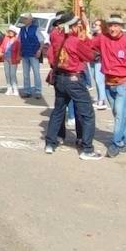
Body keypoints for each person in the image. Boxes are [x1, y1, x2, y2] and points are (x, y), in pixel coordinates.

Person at [43, 12, 102, 160]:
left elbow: (56, 36)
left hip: (59, 78)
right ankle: (87, 148)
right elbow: (89, 56)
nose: (78, 27)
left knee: (58, 111)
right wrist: (89, 41)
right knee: (87, 113)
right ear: (70, 27)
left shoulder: (55, 36)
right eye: (76, 25)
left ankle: (50, 143)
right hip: (73, 79)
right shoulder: (75, 41)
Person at [97, 15, 126, 156]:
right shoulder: (103, 39)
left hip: (124, 83)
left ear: (121, 27)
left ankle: (115, 144)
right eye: (111, 25)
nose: (113, 28)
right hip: (109, 83)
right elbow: (87, 43)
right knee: (119, 114)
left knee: (119, 115)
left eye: (116, 25)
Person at [18, 14, 43, 98]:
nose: (24, 20)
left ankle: (38, 91)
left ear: (30, 20)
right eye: (24, 19)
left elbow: (42, 41)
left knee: (36, 73)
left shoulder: (36, 28)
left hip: (34, 53)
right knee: (25, 74)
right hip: (25, 54)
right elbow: (19, 41)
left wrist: (39, 50)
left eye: (26, 19)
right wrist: (19, 53)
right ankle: (27, 91)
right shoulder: (22, 29)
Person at [0, 25, 20, 96]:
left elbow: (19, 50)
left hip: (13, 59)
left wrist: (18, 57)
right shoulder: (6, 38)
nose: (10, 32)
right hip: (6, 58)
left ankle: (15, 89)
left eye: (12, 31)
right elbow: (2, 46)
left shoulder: (17, 40)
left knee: (12, 74)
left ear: (14, 33)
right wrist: (0, 51)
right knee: (7, 74)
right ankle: (9, 88)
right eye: (10, 31)